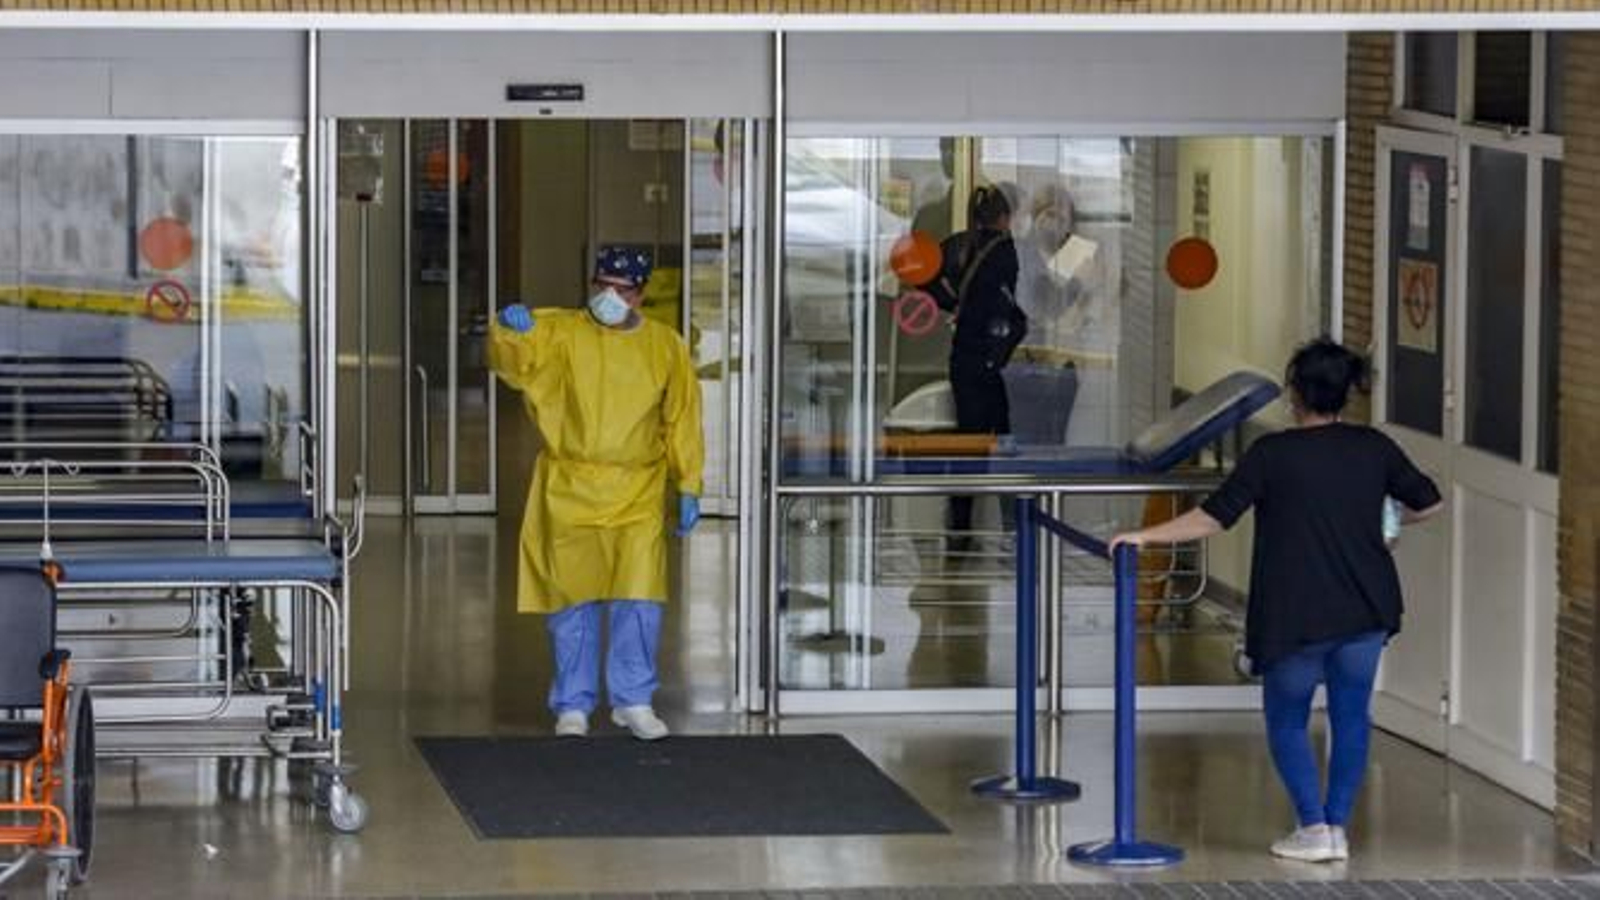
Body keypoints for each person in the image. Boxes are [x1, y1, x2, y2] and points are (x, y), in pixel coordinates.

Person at [1110, 339, 1442, 864]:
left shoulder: (1273, 455)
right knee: (1351, 715)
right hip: (1367, 608)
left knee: (1287, 718)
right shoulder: (1373, 447)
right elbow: (1429, 501)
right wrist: (1388, 522)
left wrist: (1145, 538)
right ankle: (1336, 827)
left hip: (1296, 612)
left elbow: (1214, 517)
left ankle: (1311, 826)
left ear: (1295, 394)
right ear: (1344, 394)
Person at [489, 246, 705, 742]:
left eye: (621, 289)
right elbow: (512, 364)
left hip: (639, 488)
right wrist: (509, 330)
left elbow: (682, 418)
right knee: (572, 600)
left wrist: (688, 482)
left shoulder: (665, 347)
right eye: (600, 285)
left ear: (641, 294)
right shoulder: (563, 332)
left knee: (639, 597)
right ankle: (573, 703)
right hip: (571, 486)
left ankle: (633, 699)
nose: (609, 297)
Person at [928, 184, 1026, 543]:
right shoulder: (1008, 252)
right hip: (990, 362)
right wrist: (1000, 352)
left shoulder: (958, 243)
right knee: (1005, 442)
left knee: (968, 441)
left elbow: (924, 276)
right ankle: (1015, 525)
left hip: (963, 357)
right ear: (1006, 216)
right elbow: (1012, 308)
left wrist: (953, 305)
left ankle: (960, 528)